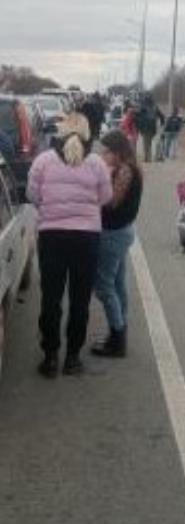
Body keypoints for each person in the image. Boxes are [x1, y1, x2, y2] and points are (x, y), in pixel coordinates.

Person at [27, 113, 113, 377]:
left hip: (52, 236)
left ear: (61, 131)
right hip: (86, 238)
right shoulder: (96, 163)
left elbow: (33, 195)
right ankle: (72, 358)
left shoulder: (43, 160)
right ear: (88, 134)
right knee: (80, 300)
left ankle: (50, 356)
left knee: (51, 298)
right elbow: (105, 197)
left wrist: (53, 209)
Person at [92, 130, 143, 358]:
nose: (103, 155)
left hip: (113, 234)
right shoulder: (130, 169)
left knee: (103, 288)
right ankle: (118, 333)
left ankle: (117, 337)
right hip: (122, 231)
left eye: (106, 152)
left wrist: (104, 177)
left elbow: (111, 202)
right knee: (118, 284)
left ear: (117, 153)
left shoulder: (123, 171)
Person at [135, 97, 165, 163]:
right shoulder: (155, 107)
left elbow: (137, 115)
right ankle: (149, 157)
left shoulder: (143, 107)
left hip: (145, 128)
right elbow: (162, 116)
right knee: (149, 143)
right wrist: (162, 124)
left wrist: (138, 126)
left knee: (146, 143)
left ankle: (147, 158)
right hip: (153, 128)